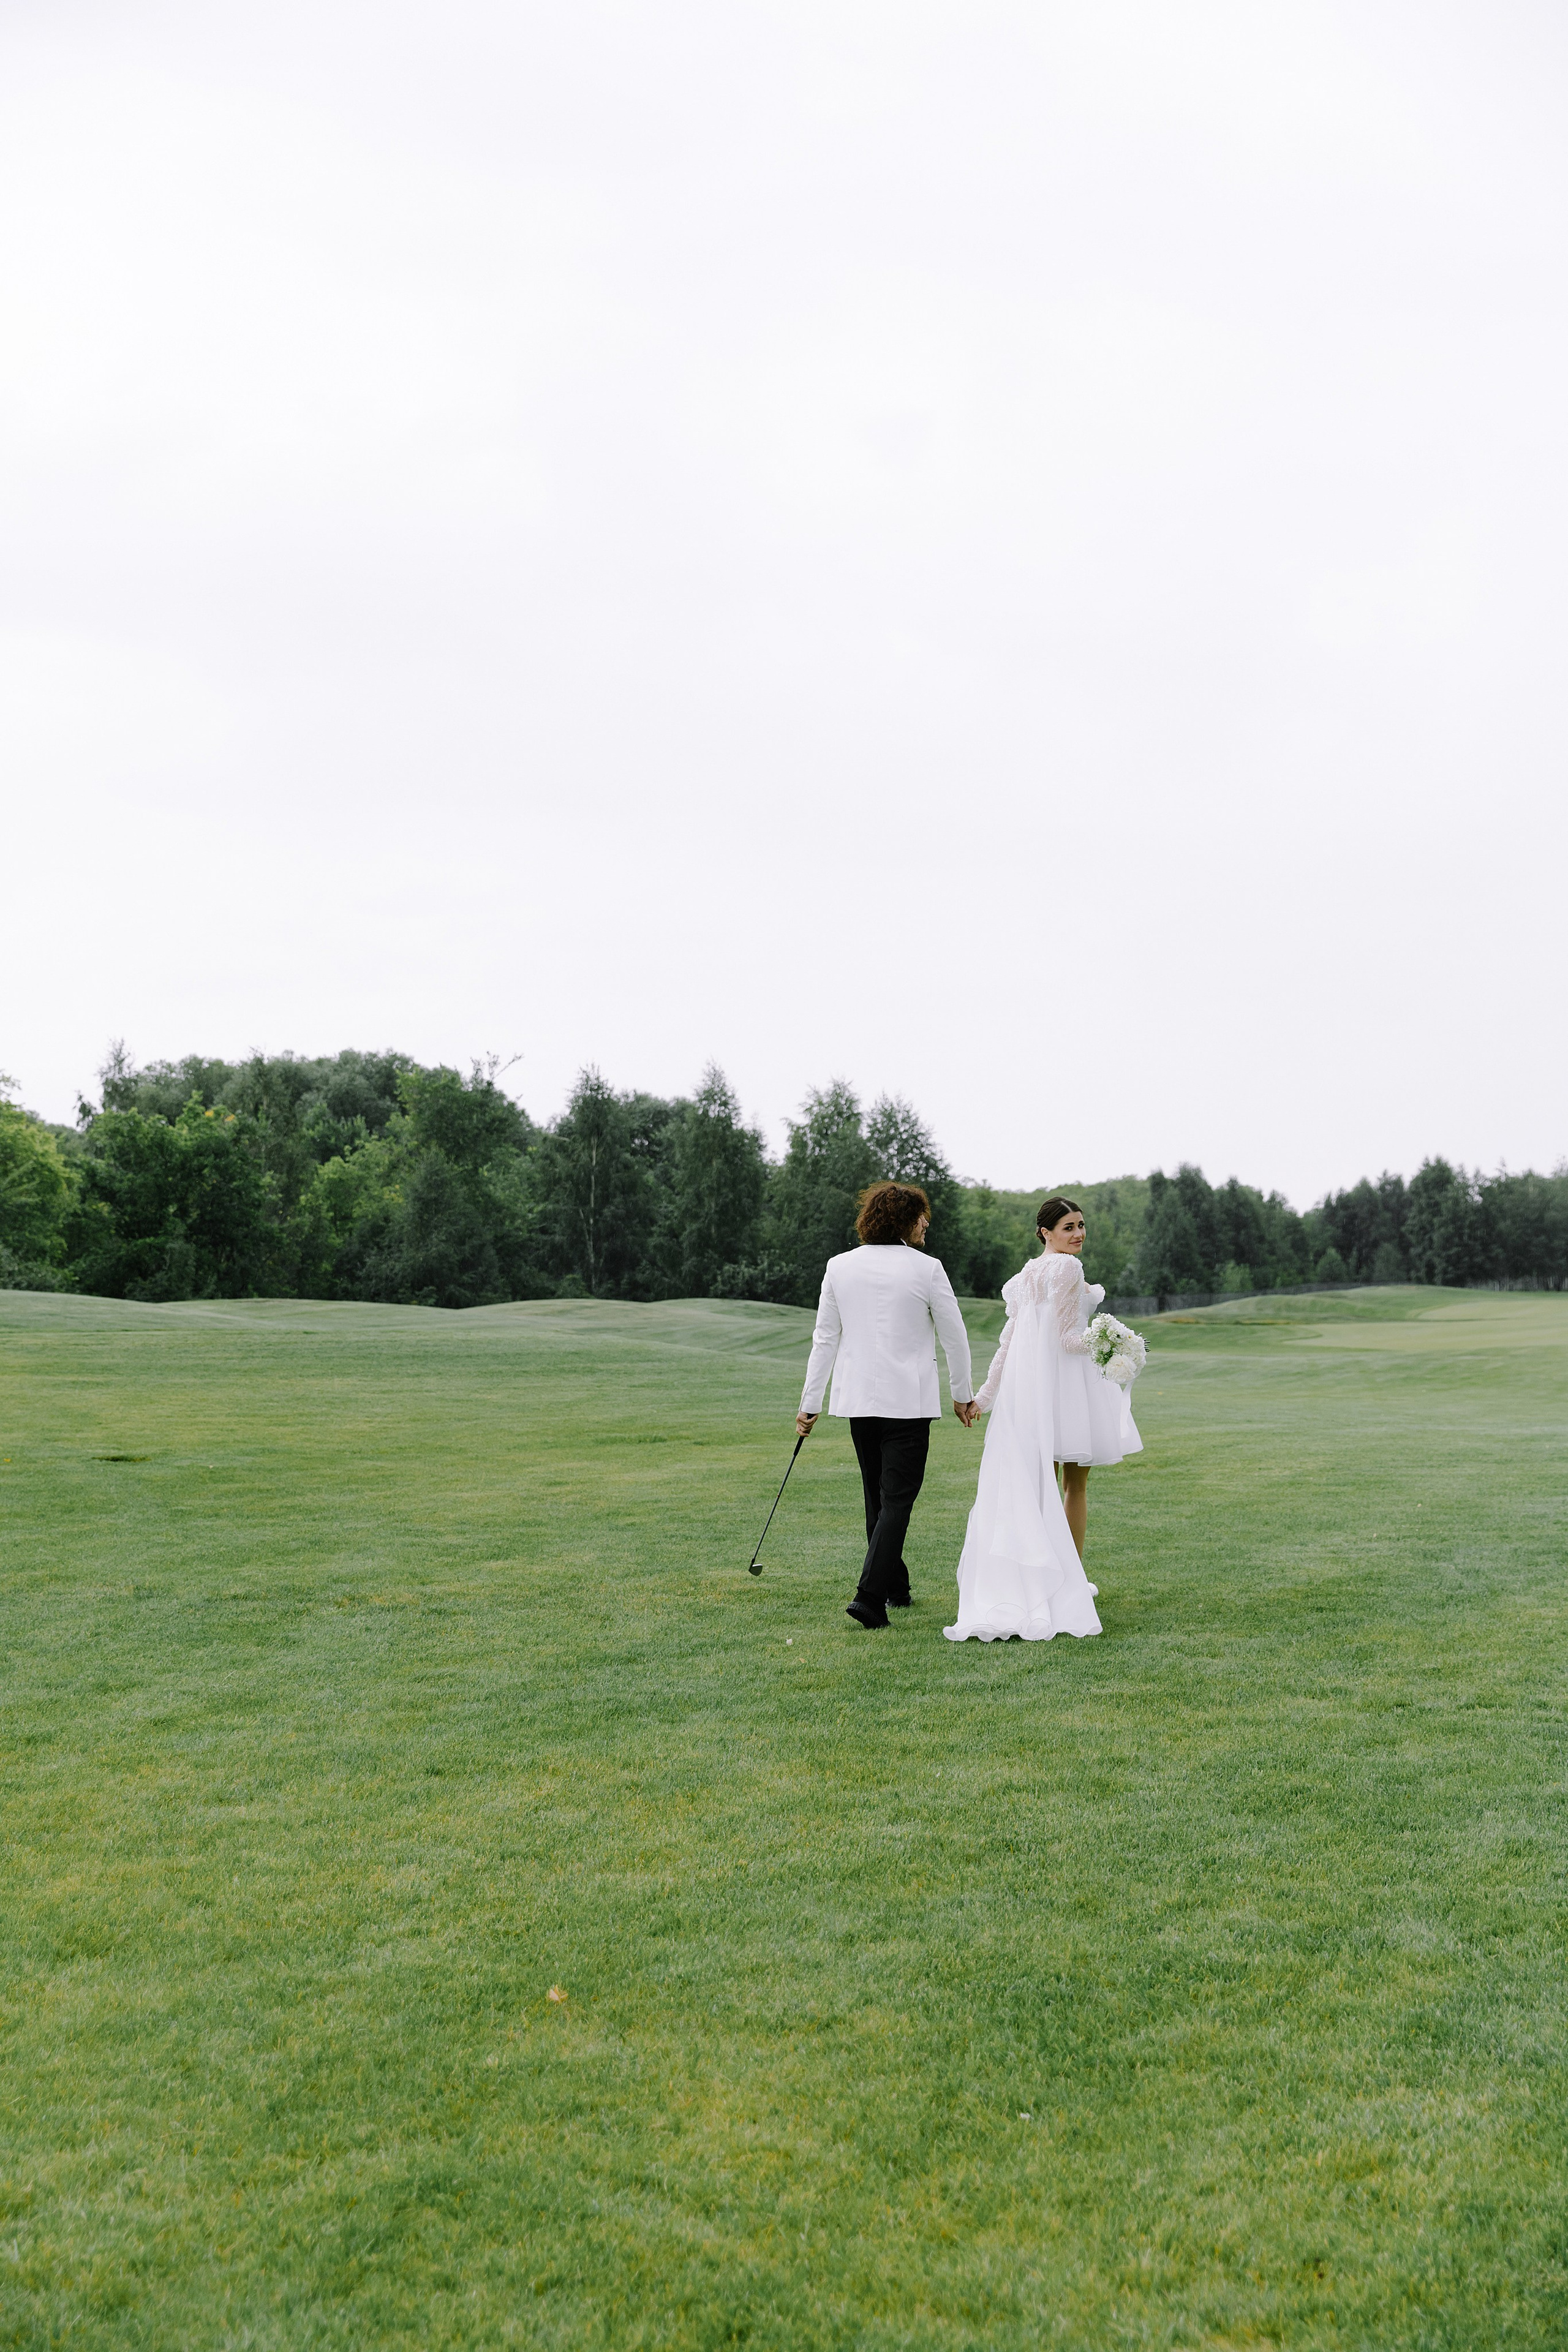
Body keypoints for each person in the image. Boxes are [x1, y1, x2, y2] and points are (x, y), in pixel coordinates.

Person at [944, 1195, 1142, 1645]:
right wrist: (1114, 1342)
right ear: (1045, 1233)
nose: (1079, 1234)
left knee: (1041, 1485)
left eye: (1081, 1225)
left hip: (1031, 1393)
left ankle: (1042, 1577)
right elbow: (1067, 1340)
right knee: (1075, 1484)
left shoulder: (1025, 1276)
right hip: (1067, 1389)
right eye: (1069, 1227)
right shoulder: (1068, 1268)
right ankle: (1070, 1580)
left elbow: (1009, 1342)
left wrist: (985, 1397)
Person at [796, 1181, 978, 1629]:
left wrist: (810, 1402)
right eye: (920, 1216)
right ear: (902, 1221)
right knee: (895, 1500)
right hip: (909, 1404)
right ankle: (869, 1598)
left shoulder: (839, 1266)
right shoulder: (928, 1269)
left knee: (878, 1497)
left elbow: (825, 1339)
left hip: (859, 1402)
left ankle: (896, 1587)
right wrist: (962, 1394)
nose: (926, 1222)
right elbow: (954, 1336)